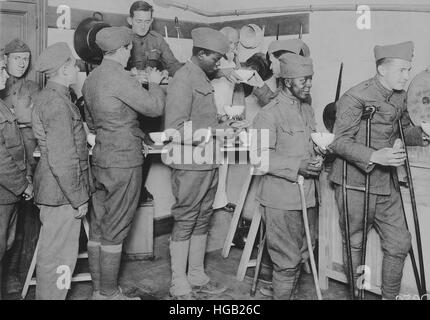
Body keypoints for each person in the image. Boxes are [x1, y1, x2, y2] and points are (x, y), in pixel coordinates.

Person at [327, 41, 428, 300]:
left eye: (409, 70)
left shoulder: (400, 96)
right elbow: (338, 142)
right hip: (354, 183)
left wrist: (424, 132)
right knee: (356, 245)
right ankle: (357, 296)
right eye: (402, 70)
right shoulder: (355, 96)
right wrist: (374, 155)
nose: (407, 76)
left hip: (385, 184)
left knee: (399, 242)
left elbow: (403, 131)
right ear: (382, 69)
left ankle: (389, 297)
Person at [82, 26, 165, 300]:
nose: (131, 51)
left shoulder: (90, 79)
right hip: (124, 160)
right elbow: (154, 108)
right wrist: (154, 81)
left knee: (98, 226)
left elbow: (92, 124)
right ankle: (110, 293)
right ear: (123, 50)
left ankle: (98, 291)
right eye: (130, 47)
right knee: (116, 229)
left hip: (101, 157)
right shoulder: (121, 77)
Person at [164, 27, 236, 300]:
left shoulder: (202, 77)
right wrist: (215, 132)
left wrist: (223, 123)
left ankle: (196, 274)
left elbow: (201, 119)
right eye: (215, 58)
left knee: (202, 219)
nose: (218, 64)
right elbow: (175, 129)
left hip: (207, 160)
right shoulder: (184, 79)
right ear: (201, 53)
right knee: (185, 220)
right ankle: (178, 282)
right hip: (189, 163)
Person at [251, 53, 322, 300]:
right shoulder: (268, 114)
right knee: (286, 261)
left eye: (310, 79)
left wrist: (320, 153)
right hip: (281, 200)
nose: (309, 85)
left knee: (304, 253)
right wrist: (297, 165)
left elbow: (308, 145)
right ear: (287, 81)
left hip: (308, 196)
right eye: (303, 80)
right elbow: (259, 158)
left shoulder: (307, 109)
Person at [31, 42, 89, 300]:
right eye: (74, 64)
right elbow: (63, 159)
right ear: (65, 70)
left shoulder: (52, 97)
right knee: (58, 258)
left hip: (56, 190)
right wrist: (78, 198)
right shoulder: (57, 103)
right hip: (62, 193)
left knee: (57, 256)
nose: (77, 68)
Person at [126, 0, 182, 202]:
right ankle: (132, 191)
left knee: (149, 147)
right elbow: (109, 72)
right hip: (127, 104)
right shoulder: (122, 40)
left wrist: (189, 74)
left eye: (147, 21)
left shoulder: (157, 40)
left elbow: (174, 65)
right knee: (131, 148)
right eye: (138, 21)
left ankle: (140, 189)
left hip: (151, 103)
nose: (143, 25)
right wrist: (131, 77)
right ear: (130, 19)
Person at [0, 38, 41, 295]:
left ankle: (14, 273)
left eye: (25, 59)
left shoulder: (33, 88)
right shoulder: (1, 89)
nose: (22, 63)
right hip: (8, 169)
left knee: (21, 227)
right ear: (5, 60)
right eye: (16, 58)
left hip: (29, 159)